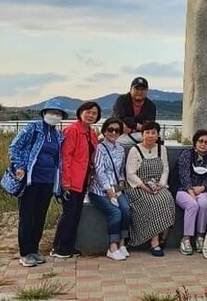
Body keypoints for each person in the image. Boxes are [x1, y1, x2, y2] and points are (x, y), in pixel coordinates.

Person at [9, 99, 66, 267]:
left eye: (58, 114)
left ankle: (34, 249)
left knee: (40, 216)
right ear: (44, 113)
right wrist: (19, 166)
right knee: (27, 216)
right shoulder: (33, 127)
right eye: (52, 112)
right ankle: (25, 253)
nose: (54, 116)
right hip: (30, 180)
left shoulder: (57, 135)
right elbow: (14, 146)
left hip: (47, 181)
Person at [51, 101, 100, 259]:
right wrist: (65, 181)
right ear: (80, 112)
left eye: (94, 113)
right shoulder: (72, 130)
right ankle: (60, 247)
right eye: (88, 112)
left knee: (76, 213)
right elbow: (66, 157)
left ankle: (68, 246)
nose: (91, 115)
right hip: (71, 179)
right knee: (69, 213)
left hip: (84, 178)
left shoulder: (91, 133)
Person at [123, 121, 175, 256]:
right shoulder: (135, 150)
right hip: (138, 187)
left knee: (167, 198)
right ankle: (155, 241)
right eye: (147, 133)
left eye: (153, 133)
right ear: (142, 134)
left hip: (157, 185)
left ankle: (163, 236)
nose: (150, 136)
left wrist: (161, 184)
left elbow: (165, 169)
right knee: (153, 202)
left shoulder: (161, 149)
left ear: (158, 135)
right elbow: (130, 173)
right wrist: (143, 186)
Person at [88, 117, 132, 261]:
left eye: (117, 130)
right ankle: (112, 247)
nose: (113, 133)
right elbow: (99, 170)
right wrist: (108, 189)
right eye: (110, 130)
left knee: (126, 209)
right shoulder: (100, 148)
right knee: (115, 212)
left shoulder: (120, 149)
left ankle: (122, 243)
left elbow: (120, 171)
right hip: (99, 190)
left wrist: (121, 181)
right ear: (105, 131)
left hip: (116, 188)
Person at [176, 129, 207, 256]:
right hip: (182, 189)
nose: (203, 144)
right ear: (195, 143)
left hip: (200, 189)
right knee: (192, 205)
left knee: (203, 204)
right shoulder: (186, 154)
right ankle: (186, 238)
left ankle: (200, 236)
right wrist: (190, 189)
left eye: (206, 142)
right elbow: (183, 174)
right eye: (200, 141)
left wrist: (203, 187)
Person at [112, 76, 157, 147]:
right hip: (119, 133)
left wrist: (131, 127)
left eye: (142, 89)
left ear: (147, 91)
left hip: (139, 135)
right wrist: (138, 126)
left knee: (151, 137)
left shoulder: (151, 105)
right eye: (136, 89)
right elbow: (119, 118)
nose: (139, 92)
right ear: (130, 89)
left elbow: (149, 125)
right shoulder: (122, 100)